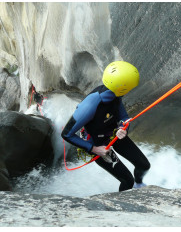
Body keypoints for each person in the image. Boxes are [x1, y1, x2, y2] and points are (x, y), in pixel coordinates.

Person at [61, 61, 150, 192]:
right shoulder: (90, 105)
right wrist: (94, 149)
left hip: (112, 133)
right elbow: (66, 133)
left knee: (144, 165)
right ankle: (123, 207)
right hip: (96, 143)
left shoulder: (115, 93)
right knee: (127, 180)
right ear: (123, 87)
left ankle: (139, 186)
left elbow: (124, 117)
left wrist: (123, 128)